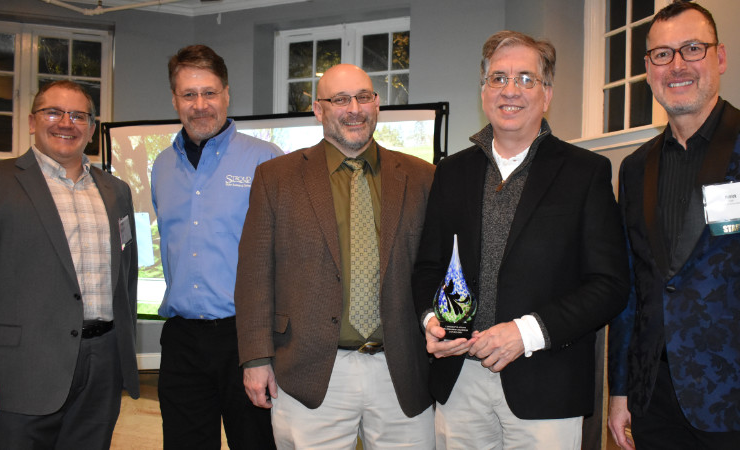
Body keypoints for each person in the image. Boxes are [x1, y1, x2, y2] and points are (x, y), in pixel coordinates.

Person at [411, 30, 629, 449]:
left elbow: (610, 285)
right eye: (498, 78)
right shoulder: (451, 173)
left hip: (546, 383)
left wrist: (525, 333)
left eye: (526, 79)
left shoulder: (586, 173)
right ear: (483, 90)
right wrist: (430, 321)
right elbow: (428, 268)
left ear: (546, 94)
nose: (511, 90)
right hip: (459, 383)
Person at [607, 3, 740, 449]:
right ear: (649, 69)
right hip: (654, 401)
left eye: (692, 48)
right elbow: (634, 289)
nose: (678, 65)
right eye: (662, 54)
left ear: (720, 58)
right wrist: (620, 388)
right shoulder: (633, 168)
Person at [234, 63, 435, 448]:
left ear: (377, 104)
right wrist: (256, 358)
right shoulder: (275, 179)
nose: (354, 109)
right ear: (318, 109)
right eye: (340, 99)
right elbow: (255, 275)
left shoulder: (421, 177)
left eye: (363, 97)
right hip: (310, 372)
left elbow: (434, 267)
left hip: (401, 372)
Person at [0, 80, 139, 448]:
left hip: (102, 363)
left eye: (78, 115)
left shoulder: (115, 191)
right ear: (31, 121)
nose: (65, 123)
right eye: (53, 112)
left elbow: (127, 275)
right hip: (22, 368)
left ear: (91, 128)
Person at [151, 44, 281, 449]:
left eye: (209, 92)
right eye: (189, 95)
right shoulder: (161, 166)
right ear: (175, 100)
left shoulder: (267, 161)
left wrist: (265, 352)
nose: (200, 104)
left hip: (244, 339)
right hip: (181, 342)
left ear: (227, 94)